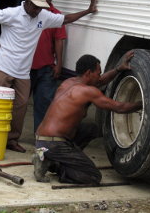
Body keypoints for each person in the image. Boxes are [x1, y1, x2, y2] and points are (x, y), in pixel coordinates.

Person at [0, 0, 98, 153]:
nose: (38, 10)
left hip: (23, 71)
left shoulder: (43, 16)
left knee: (20, 107)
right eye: (36, 7)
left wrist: (88, 10)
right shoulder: (11, 13)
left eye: (41, 7)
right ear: (27, 3)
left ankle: (11, 140)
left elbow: (66, 19)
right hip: (4, 67)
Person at [33, 51, 142, 184]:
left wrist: (118, 69)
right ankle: (52, 164)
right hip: (54, 143)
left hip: (42, 139)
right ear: (88, 73)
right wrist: (144, 103)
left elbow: (101, 81)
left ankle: (51, 158)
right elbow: (119, 107)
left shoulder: (68, 83)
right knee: (92, 176)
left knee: (91, 129)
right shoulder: (87, 92)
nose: (100, 76)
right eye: (98, 72)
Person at [30, 0, 66, 133]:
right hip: (24, 67)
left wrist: (58, 64)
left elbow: (59, 40)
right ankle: (10, 138)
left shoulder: (55, 15)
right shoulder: (27, 11)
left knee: (44, 104)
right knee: (18, 103)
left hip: (46, 68)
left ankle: (40, 138)